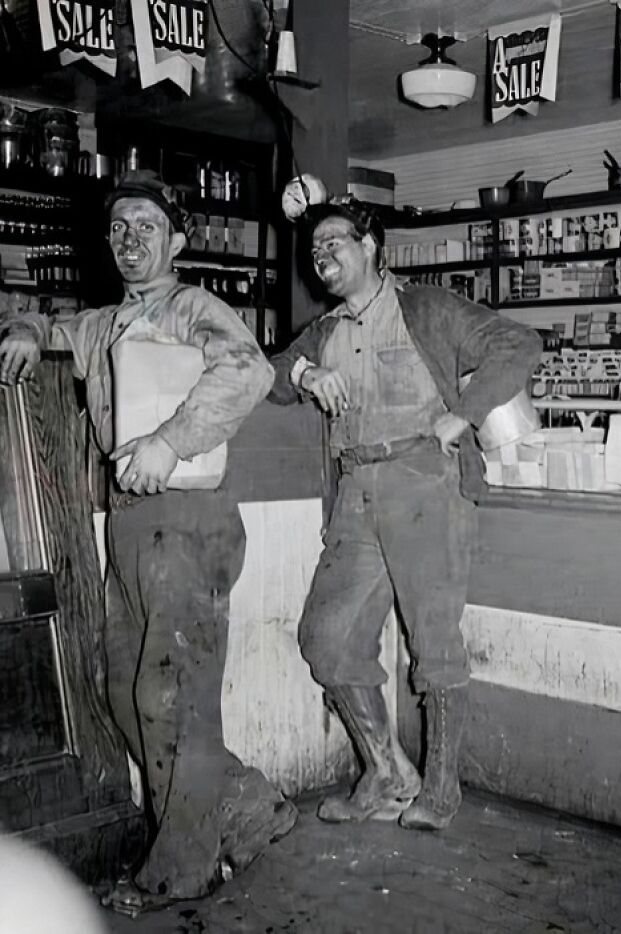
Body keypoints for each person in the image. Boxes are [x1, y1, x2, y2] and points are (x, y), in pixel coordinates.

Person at [0, 171, 297, 914]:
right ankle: (250, 805)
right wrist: (29, 330)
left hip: (189, 519)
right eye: (120, 229)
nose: (132, 240)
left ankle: (181, 870)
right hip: (133, 523)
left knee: (172, 696)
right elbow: (52, 327)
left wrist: (171, 439)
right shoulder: (103, 319)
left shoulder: (193, 307)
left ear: (178, 242)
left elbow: (249, 368)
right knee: (122, 694)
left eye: (148, 227)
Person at [268, 196, 541, 831]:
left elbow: (518, 342)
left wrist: (466, 413)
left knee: (434, 641)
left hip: (426, 483)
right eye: (315, 249)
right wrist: (307, 373)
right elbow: (272, 372)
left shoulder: (424, 307)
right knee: (326, 638)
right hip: (355, 491)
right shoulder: (327, 331)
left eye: (335, 241)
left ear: (371, 247)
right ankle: (386, 773)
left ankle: (442, 790)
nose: (323, 254)